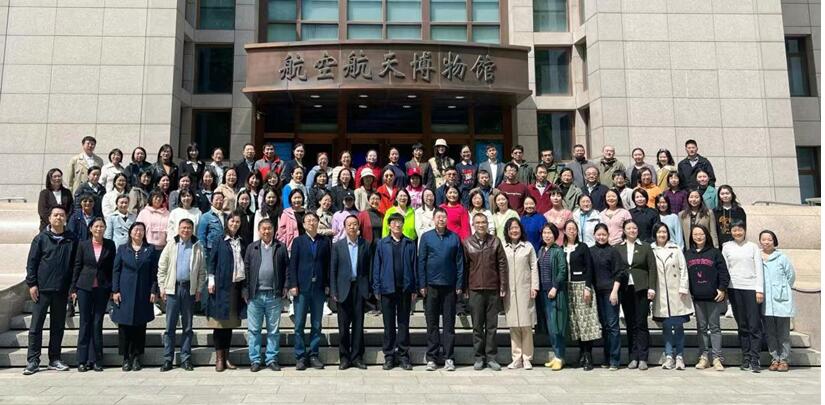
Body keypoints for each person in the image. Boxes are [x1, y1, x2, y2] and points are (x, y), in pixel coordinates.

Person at [23, 206, 78, 375]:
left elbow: (75, 265)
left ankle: (54, 359)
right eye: (55, 215)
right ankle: (33, 360)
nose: (58, 218)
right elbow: (32, 262)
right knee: (36, 326)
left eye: (61, 215)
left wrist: (72, 288)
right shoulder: (40, 239)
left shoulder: (72, 239)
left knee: (58, 326)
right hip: (42, 289)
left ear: (65, 218)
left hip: (61, 289)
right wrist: (32, 284)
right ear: (49, 218)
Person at [417, 208, 464, 371]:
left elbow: (459, 263)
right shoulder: (426, 237)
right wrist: (422, 284)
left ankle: (449, 357)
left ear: (447, 219)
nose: (441, 220)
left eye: (444, 217)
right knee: (432, 324)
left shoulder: (454, 237)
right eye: (438, 217)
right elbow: (421, 261)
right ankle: (432, 357)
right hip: (431, 286)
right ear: (433, 219)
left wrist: (459, 284)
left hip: (449, 286)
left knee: (449, 324)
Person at [157, 218, 205, 372]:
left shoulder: (197, 246)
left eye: (189, 228)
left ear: (192, 230)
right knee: (170, 326)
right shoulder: (171, 244)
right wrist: (162, 287)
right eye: (183, 228)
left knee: (187, 327)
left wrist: (199, 289)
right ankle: (168, 359)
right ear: (178, 229)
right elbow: (162, 266)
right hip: (173, 288)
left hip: (189, 289)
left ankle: (185, 358)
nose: (186, 230)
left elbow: (202, 271)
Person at [242, 218, 290, 372]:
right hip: (255, 295)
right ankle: (255, 360)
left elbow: (287, 269)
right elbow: (246, 269)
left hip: (273, 295)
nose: (266, 231)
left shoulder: (280, 247)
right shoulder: (252, 248)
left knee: (273, 331)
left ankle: (271, 359)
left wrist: (285, 286)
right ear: (259, 231)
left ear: (274, 230)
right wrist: (245, 289)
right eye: (263, 228)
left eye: (269, 228)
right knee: (254, 330)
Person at [373, 213, 418, 371]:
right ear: (389, 225)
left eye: (399, 222)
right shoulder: (382, 243)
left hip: (405, 288)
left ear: (403, 225)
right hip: (387, 288)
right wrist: (376, 287)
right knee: (389, 324)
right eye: (394, 223)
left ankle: (404, 355)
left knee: (404, 323)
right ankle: (389, 355)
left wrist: (415, 287)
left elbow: (414, 266)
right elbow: (377, 266)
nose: (397, 225)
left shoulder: (409, 243)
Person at [463, 212, 507, 371]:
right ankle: (479, 357)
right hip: (475, 289)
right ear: (473, 225)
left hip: (492, 288)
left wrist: (503, 286)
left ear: (488, 224)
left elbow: (502, 264)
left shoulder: (495, 241)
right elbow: (464, 267)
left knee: (491, 326)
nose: (481, 225)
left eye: (483, 222)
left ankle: (492, 357)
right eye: (478, 222)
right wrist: (465, 288)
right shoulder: (467, 243)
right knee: (477, 326)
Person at [111, 222, 157, 372]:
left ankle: (136, 356)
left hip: (143, 292)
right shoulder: (122, 249)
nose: (138, 232)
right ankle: (126, 357)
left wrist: (153, 290)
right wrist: (115, 290)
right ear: (130, 232)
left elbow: (153, 272)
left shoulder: (150, 249)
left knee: (140, 326)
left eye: (141, 230)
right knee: (124, 326)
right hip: (125, 292)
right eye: (136, 230)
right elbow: (116, 270)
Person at [287, 213, 331, 370]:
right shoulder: (298, 241)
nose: (311, 223)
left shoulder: (324, 241)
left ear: (318, 223)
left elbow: (328, 265)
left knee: (317, 324)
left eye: (314, 220)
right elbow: (292, 265)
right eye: (308, 221)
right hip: (301, 288)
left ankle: (313, 354)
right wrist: (293, 284)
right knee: (299, 324)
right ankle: (300, 356)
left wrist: (327, 284)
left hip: (318, 288)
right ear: (304, 224)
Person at [70, 217, 114, 372]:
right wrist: (73, 289)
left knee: (97, 323)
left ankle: (96, 359)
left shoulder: (110, 245)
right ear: (90, 228)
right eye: (96, 226)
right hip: (84, 287)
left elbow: (112, 268)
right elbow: (77, 265)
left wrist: (113, 288)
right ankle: (82, 360)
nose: (99, 229)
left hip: (102, 288)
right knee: (85, 323)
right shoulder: (83, 245)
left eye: (102, 226)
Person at [203, 212, 245, 372]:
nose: (235, 224)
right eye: (232, 221)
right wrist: (211, 279)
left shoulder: (241, 241)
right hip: (220, 287)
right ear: (227, 222)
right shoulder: (219, 240)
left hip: (235, 287)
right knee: (219, 324)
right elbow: (212, 261)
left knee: (229, 324)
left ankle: (227, 357)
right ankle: (219, 358)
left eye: (237, 221)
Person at [684, 225, 729, 371]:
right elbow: (684, 275)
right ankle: (703, 357)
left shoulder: (715, 253)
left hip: (713, 297)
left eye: (701, 234)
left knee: (715, 327)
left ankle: (717, 357)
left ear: (706, 235)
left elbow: (724, 273)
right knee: (701, 328)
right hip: (697, 297)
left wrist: (722, 289)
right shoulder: (687, 254)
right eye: (695, 234)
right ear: (691, 237)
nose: (698, 237)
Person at [722, 221, 764, 372]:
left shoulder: (753, 247)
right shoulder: (727, 247)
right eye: (734, 230)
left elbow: (759, 268)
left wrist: (759, 290)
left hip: (751, 288)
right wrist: (724, 288)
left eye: (740, 230)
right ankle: (746, 357)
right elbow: (725, 268)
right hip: (734, 288)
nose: (737, 233)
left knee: (754, 325)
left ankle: (755, 358)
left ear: (745, 231)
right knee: (742, 325)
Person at [331, 215, 372, 370]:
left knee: (358, 325)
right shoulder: (338, 246)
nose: (352, 227)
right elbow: (333, 269)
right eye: (349, 225)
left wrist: (369, 289)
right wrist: (334, 290)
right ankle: (344, 357)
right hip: (343, 289)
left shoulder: (365, 244)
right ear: (345, 227)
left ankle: (357, 357)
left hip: (360, 289)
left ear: (358, 226)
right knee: (343, 327)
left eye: (355, 224)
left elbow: (369, 267)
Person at [650, 223, 693, 371]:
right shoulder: (651, 249)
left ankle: (680, 356)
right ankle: (669, 356)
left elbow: (683, 268)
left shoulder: (675, 249)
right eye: (659, 232)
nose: (662, 234)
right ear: (655, 234)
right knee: (667, 326)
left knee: (679, 325)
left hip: (677, 292)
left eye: (664, 232)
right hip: (661, 292)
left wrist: (683, 287)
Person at [617, 220, 657, 370]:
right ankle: (633, 356)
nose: (632, 230)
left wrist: (651, 288)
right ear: (624, 231)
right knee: (630, 323)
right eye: (629, 228)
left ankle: (643, 357)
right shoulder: (618, 248)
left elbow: (652, 268)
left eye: (634, 228)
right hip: (625, 289)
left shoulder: (645, 247)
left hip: (642, 289)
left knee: (641, 323)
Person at [561, 220, 601, 370]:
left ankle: (588, 355)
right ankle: (581, 355)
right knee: (576, 323)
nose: (571, 231)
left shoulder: (583, 247)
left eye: (574, 229)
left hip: (582, 286)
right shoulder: (562, 248)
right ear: (564, 231)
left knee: (586, 322)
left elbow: (589, 268)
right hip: (568, 288)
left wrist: (587, 287)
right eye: (569, 229)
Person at [501, 218, 538, 370]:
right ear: (507, 231)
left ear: (521, 230)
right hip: (509, 290)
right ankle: (516, 358)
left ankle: (527, 358)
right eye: (511, 228)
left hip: (525, 289)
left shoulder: (528, 246)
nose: (514, 231)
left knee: (526, 324)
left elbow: (534, 266)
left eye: (516, 228)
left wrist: (534, 286)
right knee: (513, 325)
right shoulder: (503, 247)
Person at [759, 230, 796, 372]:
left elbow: (791, 276)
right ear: (760, 241)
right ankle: (774, 358)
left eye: (769, 239)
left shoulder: (782, 257)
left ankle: (784, 359)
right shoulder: (758, 257)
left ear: (774, 241)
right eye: (764, 239)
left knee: (783, 332)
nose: (766, 242)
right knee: (770, 333)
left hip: (781, 300)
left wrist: (782, 289)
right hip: (766, 301)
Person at [590, 224, 624, 370]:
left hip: (610, 292)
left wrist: (615, 291)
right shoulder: (591, 251)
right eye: (599, 234)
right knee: (604, 326)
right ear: (594, 235)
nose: (601, 237)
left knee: (612, 326)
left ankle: (615, 360)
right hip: (596, 293)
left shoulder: (613, 251)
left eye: (604, 234)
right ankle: (606, 357)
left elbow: (619, 273)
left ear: (608, 235)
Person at [536, 223, 567, 370]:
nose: (547, 236)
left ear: (555, 235)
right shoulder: (541, 250)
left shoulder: (558, 251)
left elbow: (562, 270)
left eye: (549, 233)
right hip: (543, 293)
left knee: (557, 326)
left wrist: (555, 287)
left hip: (555, 293)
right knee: (550, 326)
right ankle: (556, 356)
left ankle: (560, 357)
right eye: (544, 233)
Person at [197, 192, 226, 265]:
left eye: (221, 200)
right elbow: (201, 236)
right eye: (216, 199)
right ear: (211, 201)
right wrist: (204, 253)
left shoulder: (227, 216)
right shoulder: (205, 216)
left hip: (224, 250)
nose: (219, 202)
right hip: (211, 251)